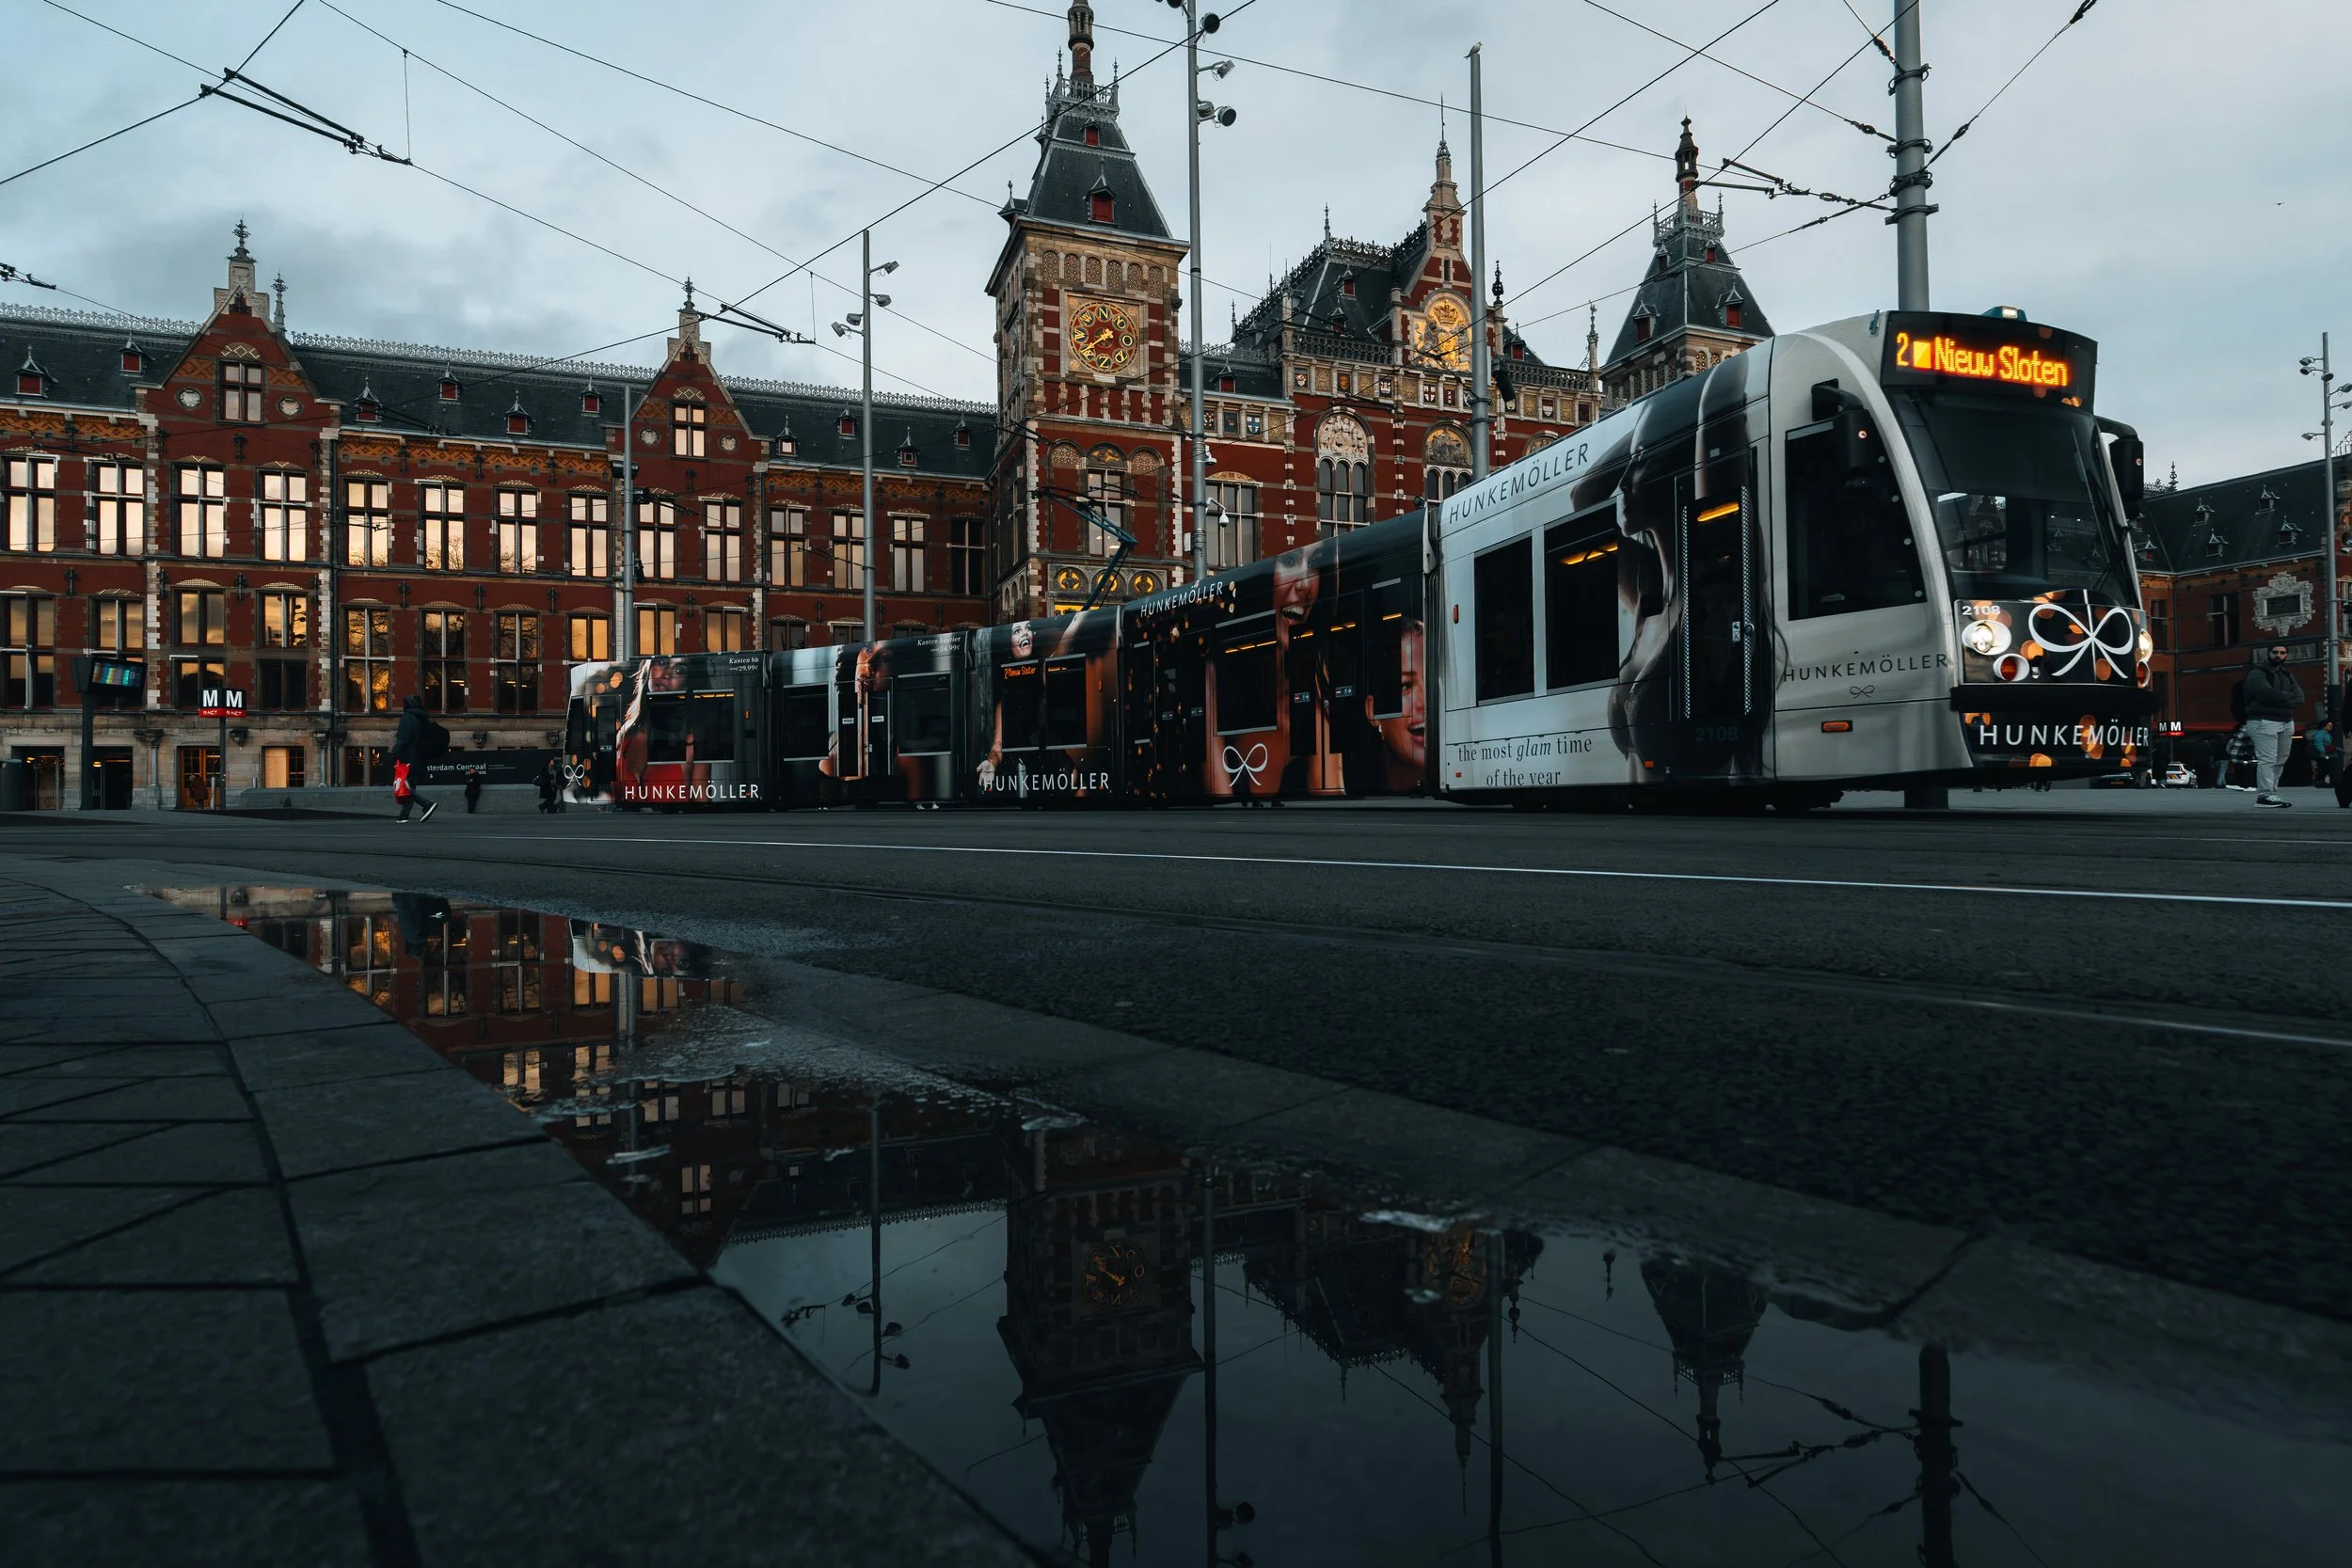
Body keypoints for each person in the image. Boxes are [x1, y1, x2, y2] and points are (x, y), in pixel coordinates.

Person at [2240, 644, 2304, 808]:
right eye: (2275, 652)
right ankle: (2265, 795)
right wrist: (2288, 698)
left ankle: (2271, 793)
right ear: (2268, 654)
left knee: (2280, 759)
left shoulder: (2286, 673)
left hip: (2285, 721)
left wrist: (2282, 698)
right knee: (2267, 759)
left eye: (2282, 653)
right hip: (2263, 721)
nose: (2279, 655)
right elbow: (2265, 694)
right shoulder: (2257, 673)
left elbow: (2300, 697)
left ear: (2286, 656)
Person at [390, 693, 438, 823]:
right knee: (409, 784)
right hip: (420, 757)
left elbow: (403, 738)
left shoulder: (408, 717)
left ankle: (426, 804)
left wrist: (394, 753)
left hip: (407, 757)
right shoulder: (423, 718)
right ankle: (404, 814)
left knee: (403, 785)